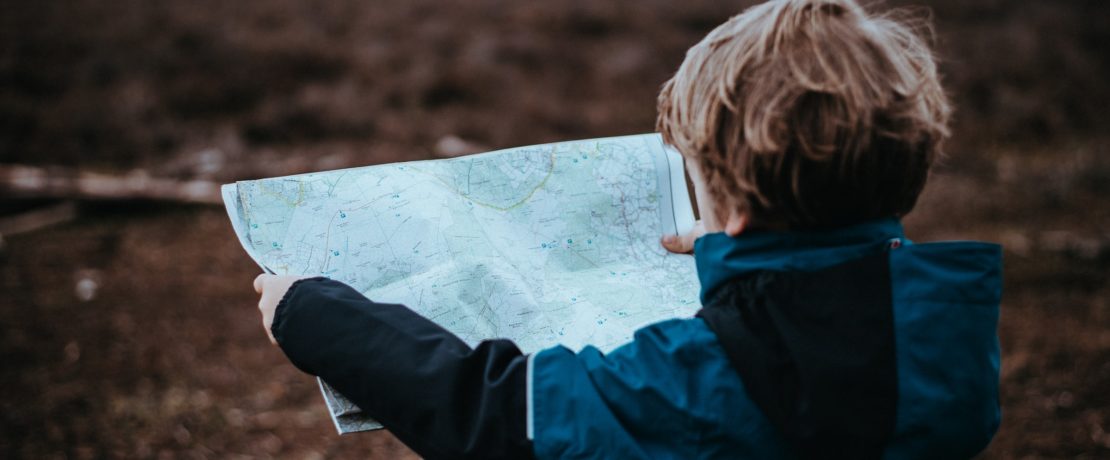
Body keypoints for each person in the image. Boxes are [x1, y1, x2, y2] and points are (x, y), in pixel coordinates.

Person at [252, 0, 1002, 458]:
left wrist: (312, 313)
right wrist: (731, 250)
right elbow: (829, 302)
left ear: (734, 206)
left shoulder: (698, 379)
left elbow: (496, 416)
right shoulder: (949, 342)